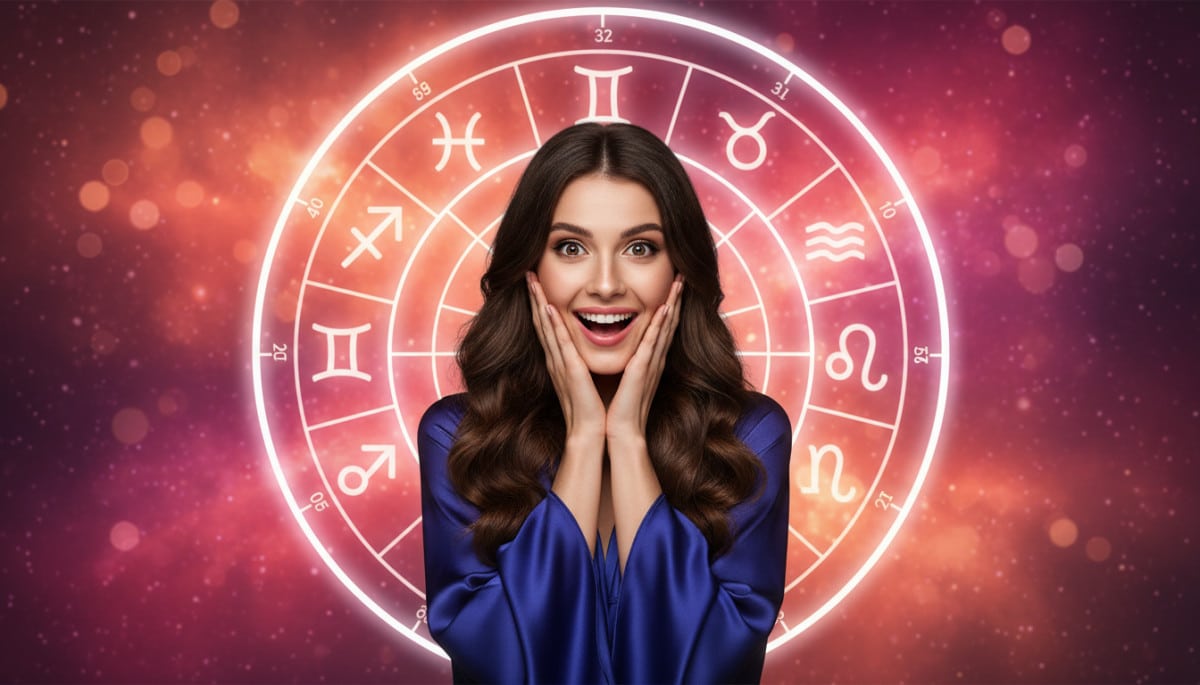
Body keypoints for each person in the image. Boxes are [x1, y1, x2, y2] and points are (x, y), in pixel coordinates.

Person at [419, 122, 791, 684]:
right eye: (571, 247)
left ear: (679, 270)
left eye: (640, 248)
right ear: (531, 268)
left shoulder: (751, 435)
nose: (607, 284)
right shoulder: (457, 436)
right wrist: (584, 438)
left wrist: (630, 441)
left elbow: (711, 668)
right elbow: (502, 667)